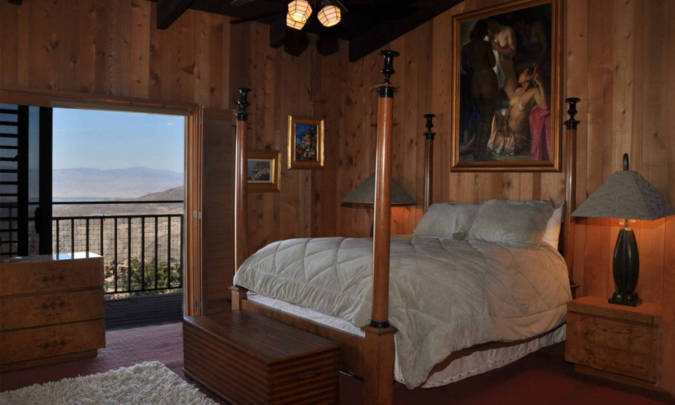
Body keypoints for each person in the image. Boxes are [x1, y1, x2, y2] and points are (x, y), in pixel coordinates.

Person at [487, 63, 548, 156]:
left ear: (530, 76)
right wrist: (504, 124)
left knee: (493, 145)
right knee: (495, 114)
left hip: (516, 138)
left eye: (523, 72)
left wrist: (541, 84)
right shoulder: (518, 90)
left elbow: (545, 106)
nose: (520, 74)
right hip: (507, 130)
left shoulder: (534, 92)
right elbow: (509, 109)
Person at [460, 20, 500, 160]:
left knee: (481, 117)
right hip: (487, 78)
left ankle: (477, 149)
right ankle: (481, 151)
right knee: (488, 118)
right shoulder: (486, 44)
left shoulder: (466, 48)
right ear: (484, 31)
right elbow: (492, 62)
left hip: (475, 82)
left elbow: (465, 67)